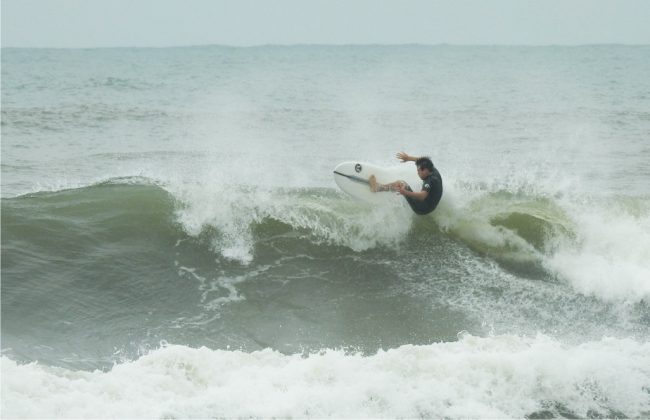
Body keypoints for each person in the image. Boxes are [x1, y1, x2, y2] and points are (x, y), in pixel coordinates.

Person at [369, 152, 443, 215]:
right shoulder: (432, 169)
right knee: (410, 190)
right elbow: (421, 161)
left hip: (421, 208)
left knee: (401, 183)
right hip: (431, 206)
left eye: (418, 171)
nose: (417, 173)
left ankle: (377, 188)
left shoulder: (429, 181)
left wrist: (405, 192)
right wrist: (408, 158)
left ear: (424, 170)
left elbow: (422, 196)